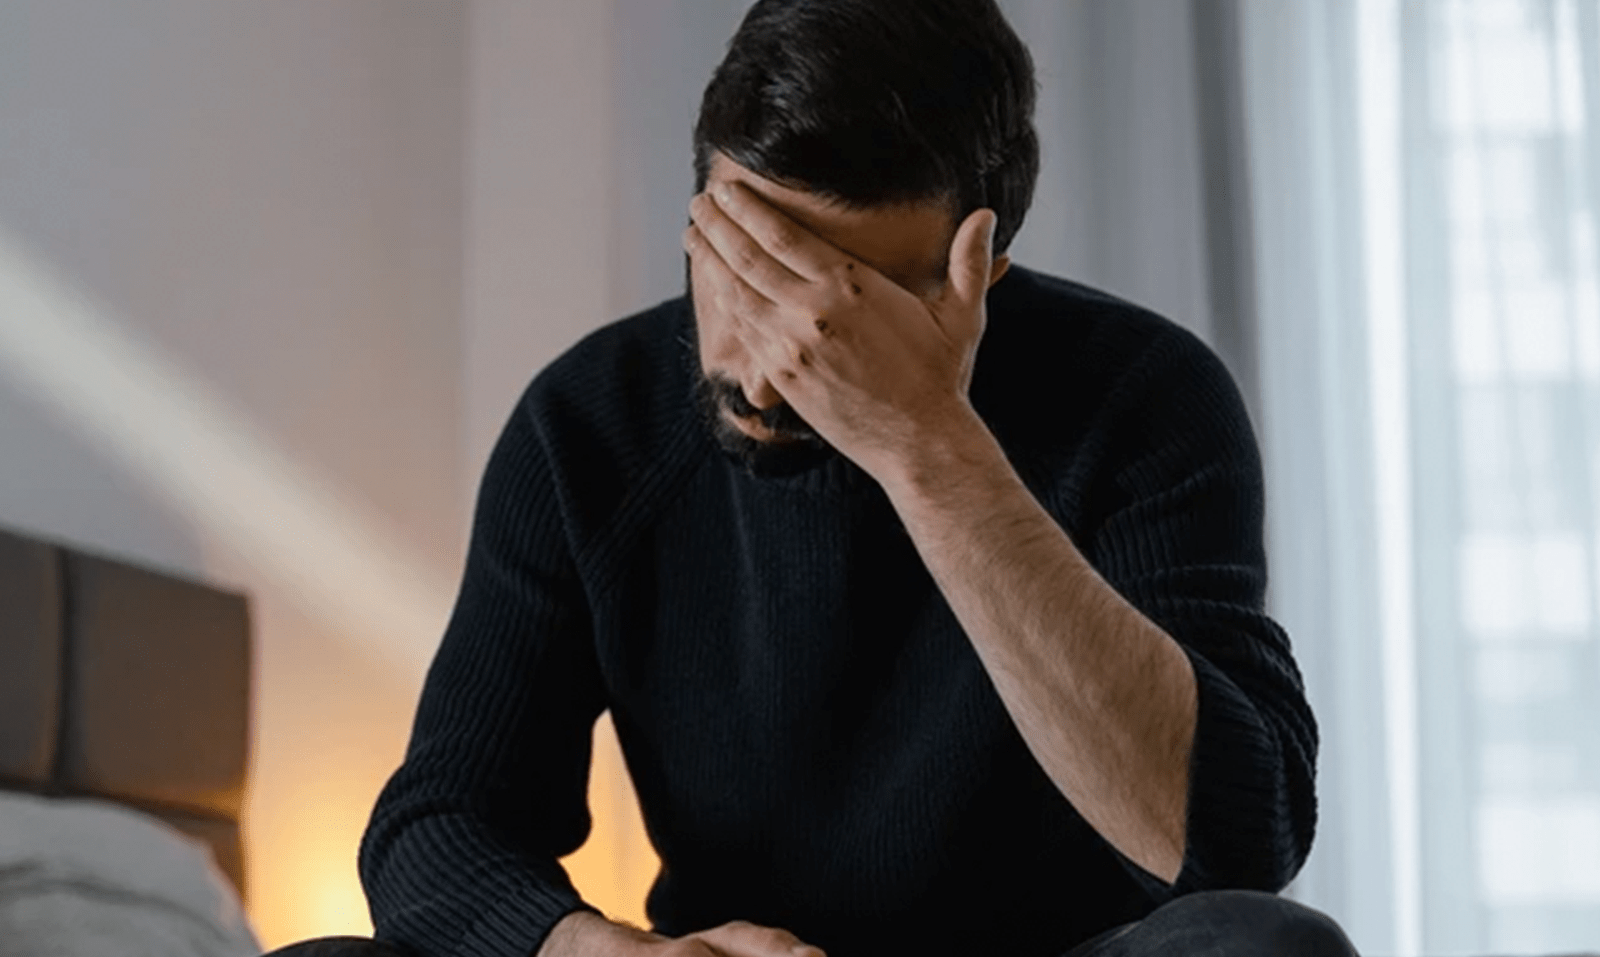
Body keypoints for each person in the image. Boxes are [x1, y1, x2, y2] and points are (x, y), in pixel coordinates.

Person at [273, 1, 1357, 955]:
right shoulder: (586, 425)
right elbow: (438, 827)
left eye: (853, 301)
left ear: (982, 270)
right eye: (748, 262)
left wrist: (927, 445)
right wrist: (590, 951)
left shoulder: (1142, 395)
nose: (779, 352)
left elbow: (1228, 846)